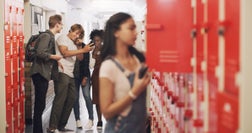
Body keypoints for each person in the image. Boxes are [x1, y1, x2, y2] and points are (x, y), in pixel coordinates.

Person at [99, 12, 150, 133]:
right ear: (116, 32)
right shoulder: (108, 66)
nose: (136, 32)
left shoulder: (138, 59)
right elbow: (106, 112)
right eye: (131, 28)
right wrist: (134, 92)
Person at [47, 24, 93, 133]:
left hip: (71, 74)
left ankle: (61, 126)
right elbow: (64, 52)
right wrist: (82, 50)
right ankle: (52, 127)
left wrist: (80, 46)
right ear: (70, 30)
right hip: (62, 72)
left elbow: (80, 58)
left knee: (72, 99)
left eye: (79, 34)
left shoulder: (74, 43)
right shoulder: (63, 38)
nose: (77, 36)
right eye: (76, 33)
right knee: (60, 99)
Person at [30, 14, 63, 133]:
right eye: (61, 24)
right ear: (57, 24)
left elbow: (44, 54)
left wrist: (56, 62)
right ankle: (37, 131)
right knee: (40, 106)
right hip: (39, 73)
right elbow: (40, 53)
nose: (62, 26)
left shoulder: (50, 36)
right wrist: (54, 57)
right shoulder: (46, 36)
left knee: (40, 104)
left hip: (42, 74)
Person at [73, 32, 94, 129]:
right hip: (73, 77)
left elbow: (86, 63)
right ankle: (77, 120)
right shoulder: (71, 47)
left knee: (86, 96)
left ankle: (91, 119)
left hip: (84, 75)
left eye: (80, 38)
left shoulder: (86, 47)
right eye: (77, 38)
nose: (78, 40)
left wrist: (85, 77)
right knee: (75, 98)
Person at [90, 29, 104, 130]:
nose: (96, 42)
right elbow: (91, 65)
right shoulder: (91, 50)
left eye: (98, 40)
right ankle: (99, 120)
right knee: (97, 100)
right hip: (95, 77)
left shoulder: (106, 49)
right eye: (95, 40)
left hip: (105, 77)